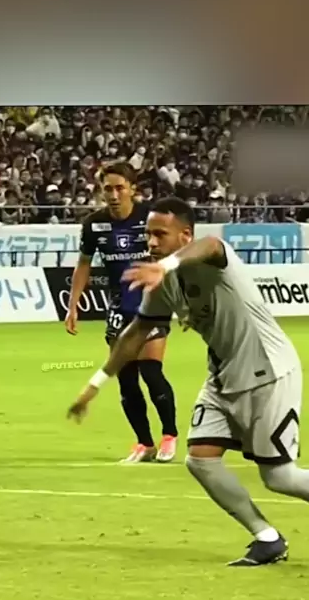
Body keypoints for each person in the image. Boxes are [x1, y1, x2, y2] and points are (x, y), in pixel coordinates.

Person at [68, 195, 308, 567]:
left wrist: (164, 264)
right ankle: (266, 537)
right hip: (222, 377)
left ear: (185, 235)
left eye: (160, 234)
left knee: (279, 477)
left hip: (268, 372)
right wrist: (95, 384)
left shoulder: (214, 258)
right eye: (148, 234)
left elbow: (210, 244)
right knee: (200, 460)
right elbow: (136, 333)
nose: (150, 242)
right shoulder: (163, 284)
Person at [65, 163, 178, 463]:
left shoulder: (150, 217)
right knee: (126, 379)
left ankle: (169, 436)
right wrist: (73, 305)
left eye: (120, 188)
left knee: (151, 371)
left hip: (153, 303)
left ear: (132, 189)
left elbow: (173, 256)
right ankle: (144, 444)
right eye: (108, 189)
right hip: (119, 306)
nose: (114, 195)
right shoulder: (93, 225)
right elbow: (84, 264)